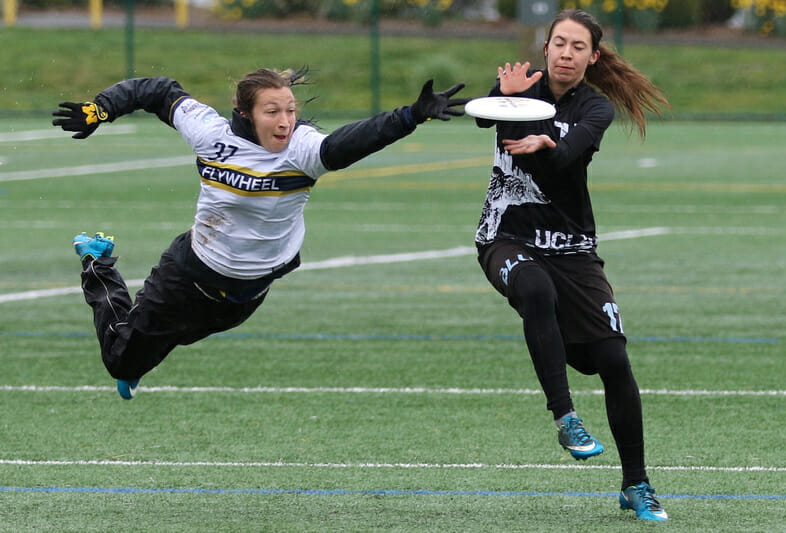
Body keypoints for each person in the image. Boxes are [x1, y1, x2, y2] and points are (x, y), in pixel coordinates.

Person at [53, 68, 467, 400]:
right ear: (247, 113)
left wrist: (409, 116)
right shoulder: (211, 133)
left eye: (290, 110)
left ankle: (142, 351)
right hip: (188, 273)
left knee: (172, 336)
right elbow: (158, 91)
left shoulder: (302, 148)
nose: (286, 121)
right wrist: (100, 109)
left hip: (245, 294)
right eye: (273, 111)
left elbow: (347, 143)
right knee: (122, 363)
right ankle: (97, 261)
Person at [472, 9, 670, 522]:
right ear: (545, 48)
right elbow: (481, 114)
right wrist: (509, 97)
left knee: (614, 362)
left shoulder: (596, 109)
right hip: (505, 236)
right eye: (558, 43)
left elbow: (561, 163)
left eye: (577, 46)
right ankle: (566, 418)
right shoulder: (520, 89)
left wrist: (538, 133)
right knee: (535, 289)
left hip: (573, 246)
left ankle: (637, 483)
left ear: (593, 56)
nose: (565, 53)